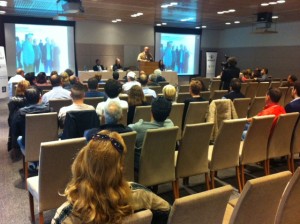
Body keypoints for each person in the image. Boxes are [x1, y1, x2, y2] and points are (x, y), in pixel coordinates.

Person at [52, 130, 170, 224]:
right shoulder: (139, 194)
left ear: (82, 161)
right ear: (119, 168)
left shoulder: (68, 215)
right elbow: (167, 210)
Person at [128, 97, 174, 170]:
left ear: (151, 111)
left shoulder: (139, 127)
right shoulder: (170, 124)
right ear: (168, 114)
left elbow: (128, 128)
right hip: (162, 163)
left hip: (142, 167)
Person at [12, 86, 50, 154]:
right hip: (48, 144)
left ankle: (32, 160)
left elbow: (15, 132)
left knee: (19, 139)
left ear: (25, 99)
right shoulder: (50, 110)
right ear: (40, 97)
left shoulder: (20, 113)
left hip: (29, 146)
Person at [7, 80, 30, 156]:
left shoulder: (12, 100)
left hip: (14, 124)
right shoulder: (30, 101)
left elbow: (11, 115)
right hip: (28, 125)